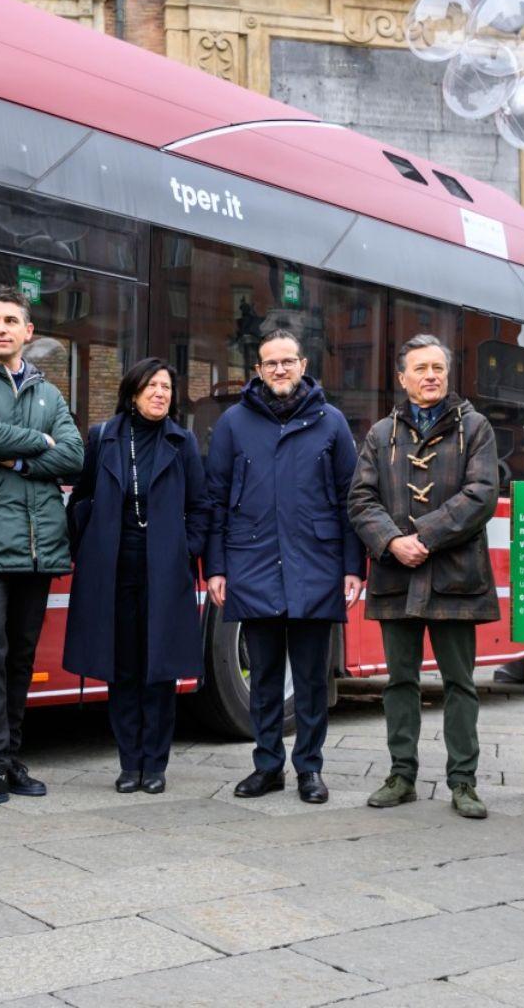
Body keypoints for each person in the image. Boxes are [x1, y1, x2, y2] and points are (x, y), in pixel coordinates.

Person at [205, 329, 365, 804]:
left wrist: (353, 566)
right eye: (270, 363)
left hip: (317, 565)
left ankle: (309, 769)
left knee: (312, 679)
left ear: (303, 365)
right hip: (252, 562)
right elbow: (216, 499)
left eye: (287, 361)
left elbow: (351, 499)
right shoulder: (233, 423)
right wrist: (216, 567)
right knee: (264, 677)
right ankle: (267, 766)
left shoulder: (331, 422)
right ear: (258, 370)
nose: (279, 369)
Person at [348, 334, 499, 820]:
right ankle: (401, 776)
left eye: (438, 368)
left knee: (460, 683)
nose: (431, 376)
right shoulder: (380, 434)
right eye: (420, 368)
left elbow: (482, 494)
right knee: (399, 682)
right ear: (402, 378)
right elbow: (360, 500)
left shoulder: (475, 427)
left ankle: (463, 781)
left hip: (456, 577)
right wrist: (394, 542)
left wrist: (425, 536)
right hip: (396, 575)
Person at [0, 286, 84, 810]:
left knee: (22, 656)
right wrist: (41, 441)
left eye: (10, 320)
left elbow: (74, 455)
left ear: (29, 332)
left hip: (39, 545)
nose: (0, 328)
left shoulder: (51, 394)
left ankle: (9, 761)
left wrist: (22, 458)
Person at [65, 359, 210, 794]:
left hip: (164, 573)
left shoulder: (182, 442)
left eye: (166, 387)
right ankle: (130, 764)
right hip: (111, 573)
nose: (160, 393)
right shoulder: (103, 437)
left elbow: (200, 505)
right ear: (133, 393)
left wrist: (186, 548)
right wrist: (87, 546)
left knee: (158, 671)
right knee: (123, 669)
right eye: (152, 386)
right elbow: (81, 498)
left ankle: (156, 764)